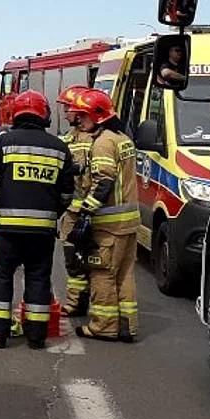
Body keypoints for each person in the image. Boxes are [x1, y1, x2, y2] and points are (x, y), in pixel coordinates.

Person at [0, 91, 74, 350]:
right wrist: (52, 214)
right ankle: (36, 335)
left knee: (1, 275)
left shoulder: (4, 144)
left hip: (9, 229)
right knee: (39, 277)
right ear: (44, 114)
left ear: (15, 114)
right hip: (43, 231)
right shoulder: (60, 148)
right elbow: (67, 194)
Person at [68, 89, 140, 343]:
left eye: (83, 115)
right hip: (129, 222)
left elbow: (103, 182)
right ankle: (126, 326)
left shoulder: (102, 143)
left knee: (102, 273)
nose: (79, 120)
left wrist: (86, 212)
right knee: (125, 274)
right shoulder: (122, 138)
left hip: (109, 224)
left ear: (97, 115)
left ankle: (103, 327)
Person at [56, 85, 93, 317]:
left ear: (80, 112)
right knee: (72, 260)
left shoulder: (95, 140)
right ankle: (76, 302)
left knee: (88, 261)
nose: (65, 113)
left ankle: (83, 302)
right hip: (72, 210)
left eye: (68, 108)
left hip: (88, 211)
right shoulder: (68, 139)